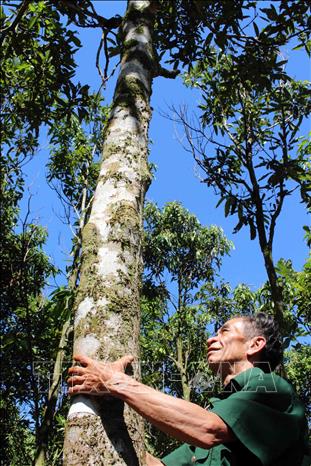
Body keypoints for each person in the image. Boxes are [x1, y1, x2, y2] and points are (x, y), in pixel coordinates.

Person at [67, 313, 309, 465]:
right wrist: (115, 414)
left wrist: (115, 382)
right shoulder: (216, 408)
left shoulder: (272, 388)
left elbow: (208, 430)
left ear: (255, 344)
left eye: (224, 331)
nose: (210, 339)